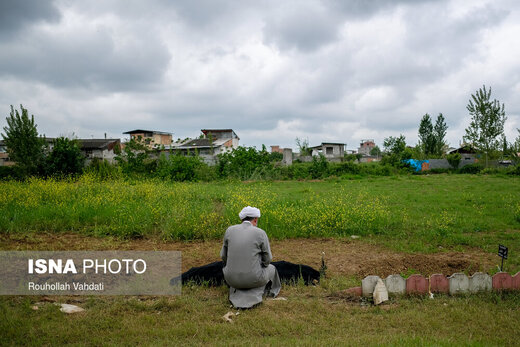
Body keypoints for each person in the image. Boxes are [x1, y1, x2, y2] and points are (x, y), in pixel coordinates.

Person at [220, 206, 281, 308]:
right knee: (272, 268)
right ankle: (272, 293)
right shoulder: (260, 233)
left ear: (242, 219)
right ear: (255, 219)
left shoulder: (229, 230)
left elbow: (223, 256)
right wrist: (261, 265)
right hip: (254, 279)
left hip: (230, 279)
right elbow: (268, 259)